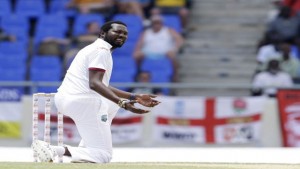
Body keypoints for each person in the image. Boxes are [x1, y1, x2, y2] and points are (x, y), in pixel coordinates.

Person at [32, 21, 160, 163]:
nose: (122, 35)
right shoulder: (101, 50)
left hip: (66, 98)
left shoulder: (95, 49)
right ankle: (54, 150)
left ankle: (86, 150)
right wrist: (122, 102)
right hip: (83, 101)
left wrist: (133, 96)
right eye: (117, 32)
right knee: (103, 156)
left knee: (111, 105)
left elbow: (101, 85)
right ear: (102, 34)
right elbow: (95, 84)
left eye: (125, 34)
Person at [134, 15, 184, 81]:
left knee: (172, 55)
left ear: (162, 23)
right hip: (148, 53)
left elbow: (180, 40)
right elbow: (139, 45)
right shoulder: (146, 32)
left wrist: (175, 49)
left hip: (165, 53)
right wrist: (137, 51)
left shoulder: (168, 30)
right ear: (152, 24)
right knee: (136, 55)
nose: (156, 25)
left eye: (158, 23)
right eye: (155, 23)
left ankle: (175, 76)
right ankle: (138, 74)